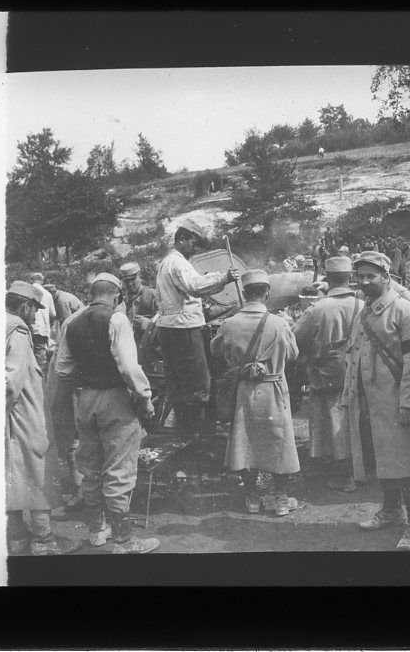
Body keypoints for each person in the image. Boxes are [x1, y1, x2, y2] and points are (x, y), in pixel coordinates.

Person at [57, 273, 159, 554]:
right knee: (119, 470)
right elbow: (129, 367)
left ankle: (97, 531)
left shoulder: (71, 322)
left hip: (85, 400)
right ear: (116, 296)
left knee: (91, 468)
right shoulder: (117, 319)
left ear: (91, 295)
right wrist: (144, 398)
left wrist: (86, 380)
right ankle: (124, 542)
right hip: (115, 399)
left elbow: (62, 369)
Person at [342, 251, 410, 550]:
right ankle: (391, 511)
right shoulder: (365, 311)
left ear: (387, 277)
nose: (365, 282)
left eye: (372, 276)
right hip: (372, 402)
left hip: (399, 403)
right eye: (361, 277)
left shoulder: (405, 312)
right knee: (384, 458)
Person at [212, 270, 304, 516]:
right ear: (267, 293)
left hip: (244, 390)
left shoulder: (229, 324)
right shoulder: (279, 323)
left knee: (246, 441)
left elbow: (216, 352)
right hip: (273, 389)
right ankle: (281, 499)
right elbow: (293, 355)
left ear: (244, 293)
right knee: (279, 442)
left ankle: (253, 497)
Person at [5, 281, 78, 555]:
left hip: (9, 415)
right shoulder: (19, 330)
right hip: (23, 413)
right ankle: (43, 540)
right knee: (39, 471)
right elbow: (11, 380)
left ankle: (16, 537)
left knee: (11, 473)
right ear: (25, 306)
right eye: (34, 309)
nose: (36, 315)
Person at [153, 218, 244, 433]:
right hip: (183, 329)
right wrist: (224, 278)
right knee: (198, 383)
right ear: (182, 240)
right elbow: (195, 286)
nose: (195, 249)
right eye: (193, 244)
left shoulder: (168, 262)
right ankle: (198, 434)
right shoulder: (178, 263)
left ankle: (184, 431)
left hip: (170, 328)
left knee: (179, 383)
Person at [291, 256, 364, 492]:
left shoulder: (318, 308)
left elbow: (297, 340)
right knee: (355, 418)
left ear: (327, 278)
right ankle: (361, 469)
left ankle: (342, 474)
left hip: (327, 372)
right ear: (350, 277)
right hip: (356, 370)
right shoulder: (362, 305)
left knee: (331, 420)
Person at [115, 261, 159, 353]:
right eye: (126, 281)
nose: (130, 283)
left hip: (150, 351)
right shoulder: (120, 302)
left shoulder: (153, 296)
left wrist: (148, 325)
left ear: (140, 277)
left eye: (133, 279)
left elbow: (166, 324)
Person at [25, 272, 57, 367]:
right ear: (42, 281)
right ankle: (40, 373)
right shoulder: (47, 294)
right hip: (42, 329)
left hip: (27, 326)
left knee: (26, 353)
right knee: (40, 356)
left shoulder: (26, 291)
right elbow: (53, 314)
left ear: (31, 280)